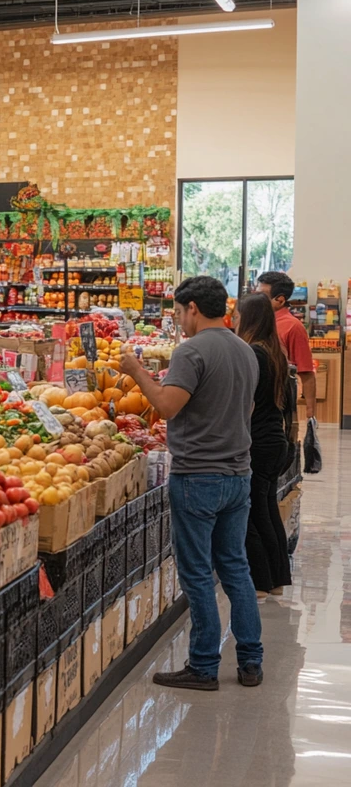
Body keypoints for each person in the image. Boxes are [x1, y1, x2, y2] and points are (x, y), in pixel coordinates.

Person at [119, 275, 263, 690]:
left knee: (198, 572)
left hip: (198, 475)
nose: (179, 320)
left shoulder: (192, 350)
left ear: (193, 309)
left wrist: (136, 371)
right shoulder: (245, 350)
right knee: (235, 567)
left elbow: (165, 406)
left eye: (179, 312)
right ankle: (251, 662)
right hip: (238, 474)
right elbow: (246, 408)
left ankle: (203, 665)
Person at [235, 292, 294, 598]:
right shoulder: (273, 351)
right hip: (274, 441)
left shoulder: (253, 353)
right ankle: (276, 580)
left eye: (237, 315)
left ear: (248, 318)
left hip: (257, 442)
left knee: (252, 513)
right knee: (267, 511)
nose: (233, 321)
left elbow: (247, 403)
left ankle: (260, 581)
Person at [256, 272, 315, 421]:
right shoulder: (252, 321)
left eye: (261, 295)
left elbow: (306, 371)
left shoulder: (293, 327)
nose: (255, 300)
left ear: (280, 300)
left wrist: (310, 414)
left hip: (277, 405)